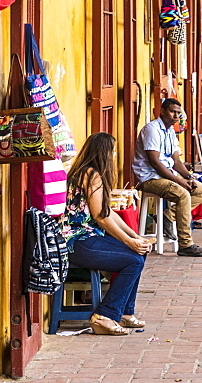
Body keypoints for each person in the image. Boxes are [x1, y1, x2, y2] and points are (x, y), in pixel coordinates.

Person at [62, 133, 153, 336]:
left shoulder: (88, 173)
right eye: (112, 151)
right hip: (78, 241)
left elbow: (108, 212)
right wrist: (129, 242)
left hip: (88, 238)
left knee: (139, 253)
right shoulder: (91, 175)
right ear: (104, 152)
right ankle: (104, 316)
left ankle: (125, 313)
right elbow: (101, 217)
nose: (114, 155)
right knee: (133, 260)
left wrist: (135, 237)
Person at [132, 98, 202, 257]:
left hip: (167, 175)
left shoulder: (170, 131)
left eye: (178, 113)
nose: (176, 116)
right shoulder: (152, 130)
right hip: (149, 178)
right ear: (162, 111)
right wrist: (179, 181)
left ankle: (167, 216)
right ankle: (185, 244)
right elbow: (155, 162)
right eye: (172, 111)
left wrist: (189, 177)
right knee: (183, 194)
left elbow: (176, 160)